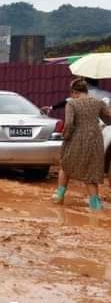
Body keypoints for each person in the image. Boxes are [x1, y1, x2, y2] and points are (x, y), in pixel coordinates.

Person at [52, 78, 111, 210]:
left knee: (65, 165)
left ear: (74, 92)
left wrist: (65, 136)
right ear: (86, 90)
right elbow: (108, 118)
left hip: (76, 138)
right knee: (91, 172)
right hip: (95, 139)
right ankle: (95, 203)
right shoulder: (98, 102)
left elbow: (69, 123)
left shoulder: (72, 104)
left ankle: (59, 196)